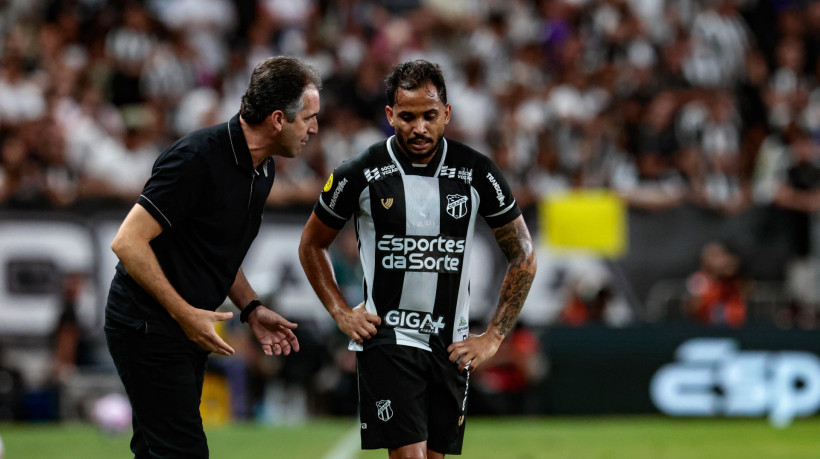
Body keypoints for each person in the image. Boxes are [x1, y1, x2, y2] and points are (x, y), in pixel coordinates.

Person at [299, 60, 537, 458]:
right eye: (407, 117)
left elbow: (523, 254)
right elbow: (312, 244)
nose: (419, 128)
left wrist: (493, 337)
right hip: (389, 336)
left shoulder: (478, 172)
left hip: (451, 343)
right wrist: (341, 313)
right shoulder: (359, 172)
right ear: (390, 115)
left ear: (446, 113)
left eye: (429, 116)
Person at [104, 56, 320, 458]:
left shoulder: (263, 170)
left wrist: (251, 308)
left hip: (186, 326)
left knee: (157, 449)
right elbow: (127, 242)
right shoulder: (196, 158)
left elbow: (215, 252)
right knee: (181, 451)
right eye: (308, 117)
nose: (314, 128)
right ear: (277, 119)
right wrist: (185, 313)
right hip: (146, 324)